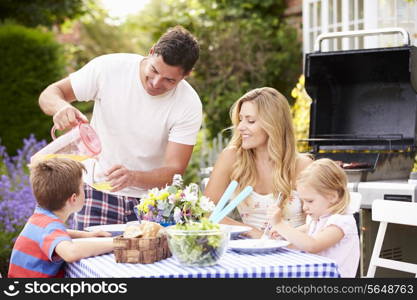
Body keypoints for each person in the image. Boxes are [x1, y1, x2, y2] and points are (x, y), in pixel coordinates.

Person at [38, 25, 202, 230]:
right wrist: (61, 108)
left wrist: (134, 177)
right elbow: (50, 94)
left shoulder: (188, 103)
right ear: (151, 53)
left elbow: (174, 171)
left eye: (169, 80)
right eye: (154, 70)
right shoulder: (109, 68)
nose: (156, 83)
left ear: (186, 75)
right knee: (91, 260)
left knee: (150, 261)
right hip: (97, 193)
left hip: (152, 203)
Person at [204, 87, 312, 238]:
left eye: (251, 121)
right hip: (253, 252)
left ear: (273, 125)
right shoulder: (232, 158)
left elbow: (319, 223)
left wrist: (289, 236)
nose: (240, 127)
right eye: (240, 119)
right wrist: (252, 231)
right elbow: (206, 212)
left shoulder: (302, 165)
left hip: (297, 250)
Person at [8, 158, 113, 278]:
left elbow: (58, 233)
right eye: (82, 187)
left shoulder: (40, 218)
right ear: (73, 198)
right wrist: (116, 243)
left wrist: (87, 235)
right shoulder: (49, 226)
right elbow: (71, 252)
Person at [270, 158, 360, 278]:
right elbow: (309, 228)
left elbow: (313, 245)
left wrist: (280, 225)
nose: (304, 207)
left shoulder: (341, 222)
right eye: (302, 201)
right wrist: (284, 233)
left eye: (309, 201)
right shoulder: (318, 217)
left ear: (332, 197)